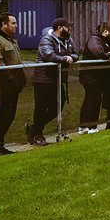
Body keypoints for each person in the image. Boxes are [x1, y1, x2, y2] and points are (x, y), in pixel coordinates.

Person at [28, 18, 80, 146]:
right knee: (41, 107)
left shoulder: (68, 40)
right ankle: (38, 134)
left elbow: (76, 54)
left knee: (58, 105)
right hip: (43, 78)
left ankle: (34, 128)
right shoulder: (47, 39)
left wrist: (70, 57)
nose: (70, 29)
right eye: (67, 27)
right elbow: (49, 56)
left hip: (57, 78)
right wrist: (65, 58)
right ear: (59, 28)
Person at [0, 12, 26, 155]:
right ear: (4, 24)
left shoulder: (10, 39)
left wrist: (19, 80)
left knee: (10, 115)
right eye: (13, 23)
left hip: (13, 85)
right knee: (0, 114)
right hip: (1, 86)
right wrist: (11, 80)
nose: (16, 26)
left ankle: (1, 144)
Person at [78, 22, 110, 133]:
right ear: (105, 32)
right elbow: (98, 52)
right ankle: (91, 127)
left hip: (98, 75)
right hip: (89, 75)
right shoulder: (94, 40)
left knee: (90, 99)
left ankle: (83, 126)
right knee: (94, 100)